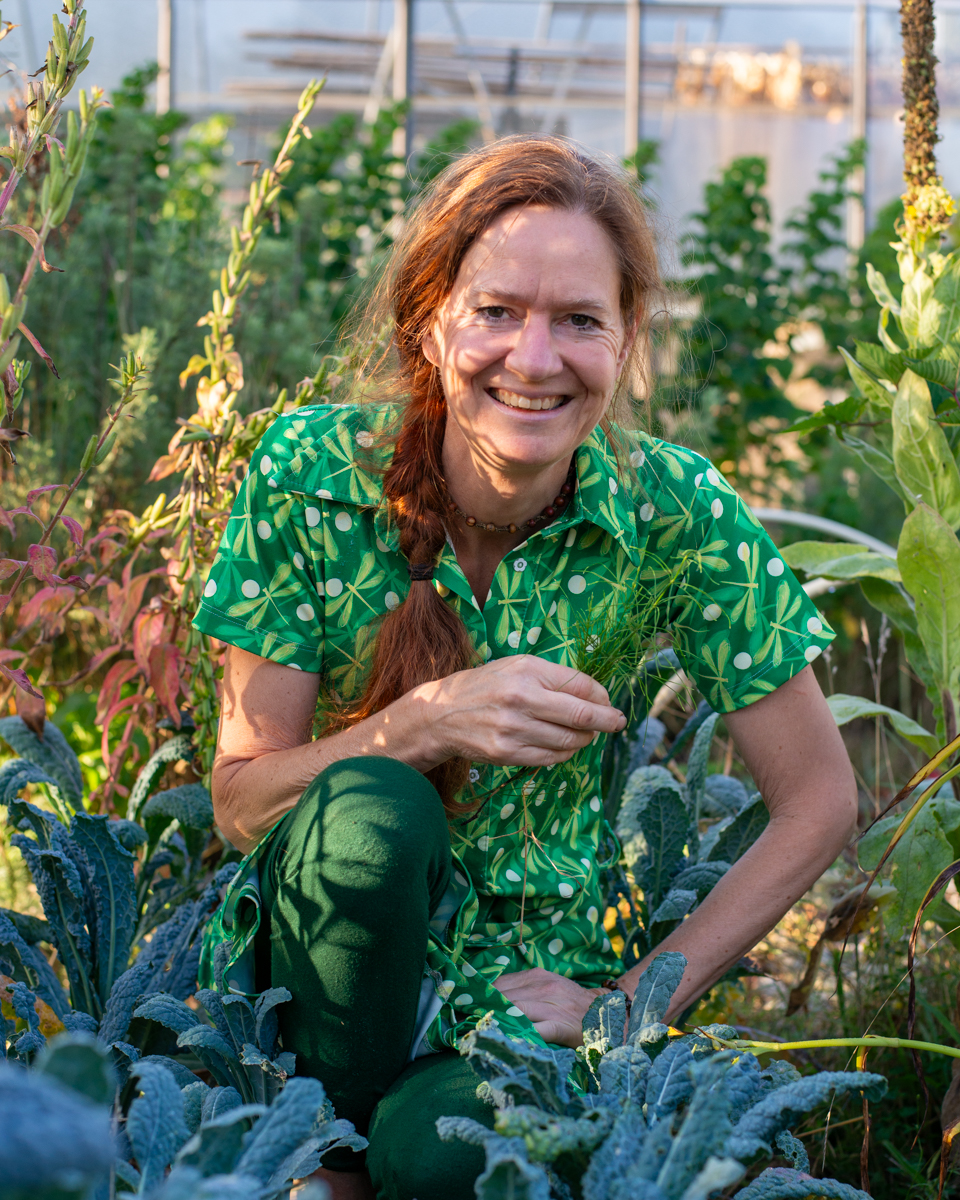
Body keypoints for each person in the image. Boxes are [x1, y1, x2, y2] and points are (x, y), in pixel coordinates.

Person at [193, 135, 857, 1200]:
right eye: (497, 311)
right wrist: (421, 724)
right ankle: (317, 1146)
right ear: (430, 320)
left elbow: (819, 800)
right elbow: (239, 804)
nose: (535, 359)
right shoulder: (308, 473)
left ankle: (357, 1171)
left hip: (514, 1010)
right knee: (373, 810)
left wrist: (629, 1001)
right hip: (320, 984)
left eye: (580, 321)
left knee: (447, 1155)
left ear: (628, 339)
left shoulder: (674, 510)